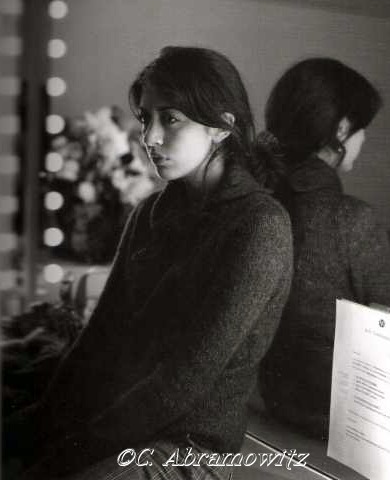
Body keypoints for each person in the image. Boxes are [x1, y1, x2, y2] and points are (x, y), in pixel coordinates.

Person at [4, 47, 293, 479]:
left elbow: (181, 381)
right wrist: (38, 427)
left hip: (188, 449)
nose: (149, 137)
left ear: (222, 126)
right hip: (114, 420)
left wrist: (68, 450)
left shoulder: (260, 226)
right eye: (145, 118)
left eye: (171, 118)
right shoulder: (149, 213)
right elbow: (98, 338)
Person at [259, 57, 390, 441]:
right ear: (341, 129)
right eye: (362, 128)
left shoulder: (259, 204)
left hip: (268, 409)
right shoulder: (352, 219)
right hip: (339, 429)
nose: (364, 139)